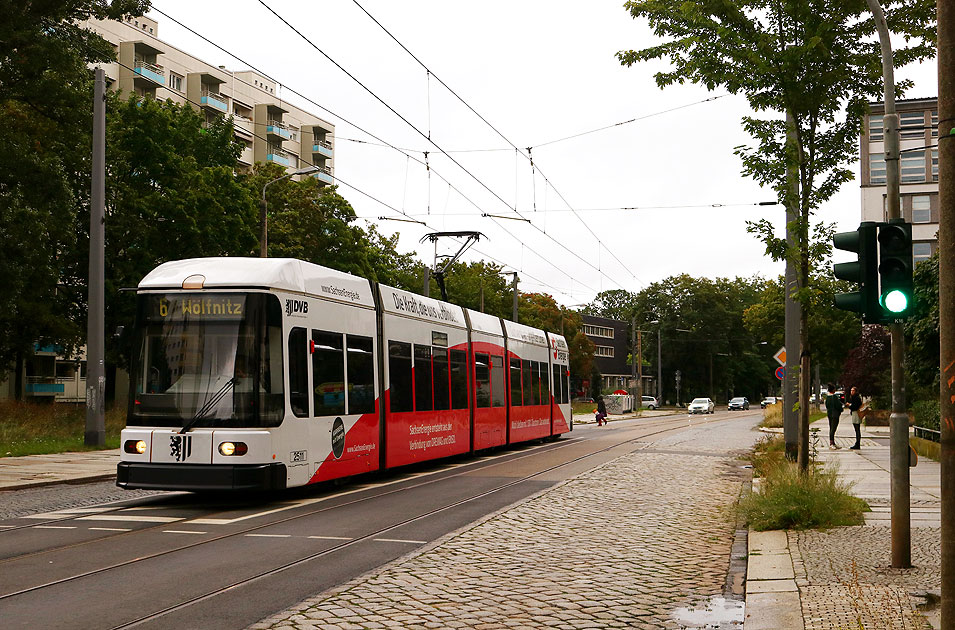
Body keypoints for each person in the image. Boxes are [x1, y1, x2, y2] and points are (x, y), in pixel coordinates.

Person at [824, 383, 843, 449]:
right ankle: (831, 443)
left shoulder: (827, 398)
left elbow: (827, 405)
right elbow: (838, 405)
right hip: (835, 414)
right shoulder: (834, 397)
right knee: (833, 428)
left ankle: (833, 442)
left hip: (829, 414)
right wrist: (841, 409)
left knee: (831, 427)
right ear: (833, 390)